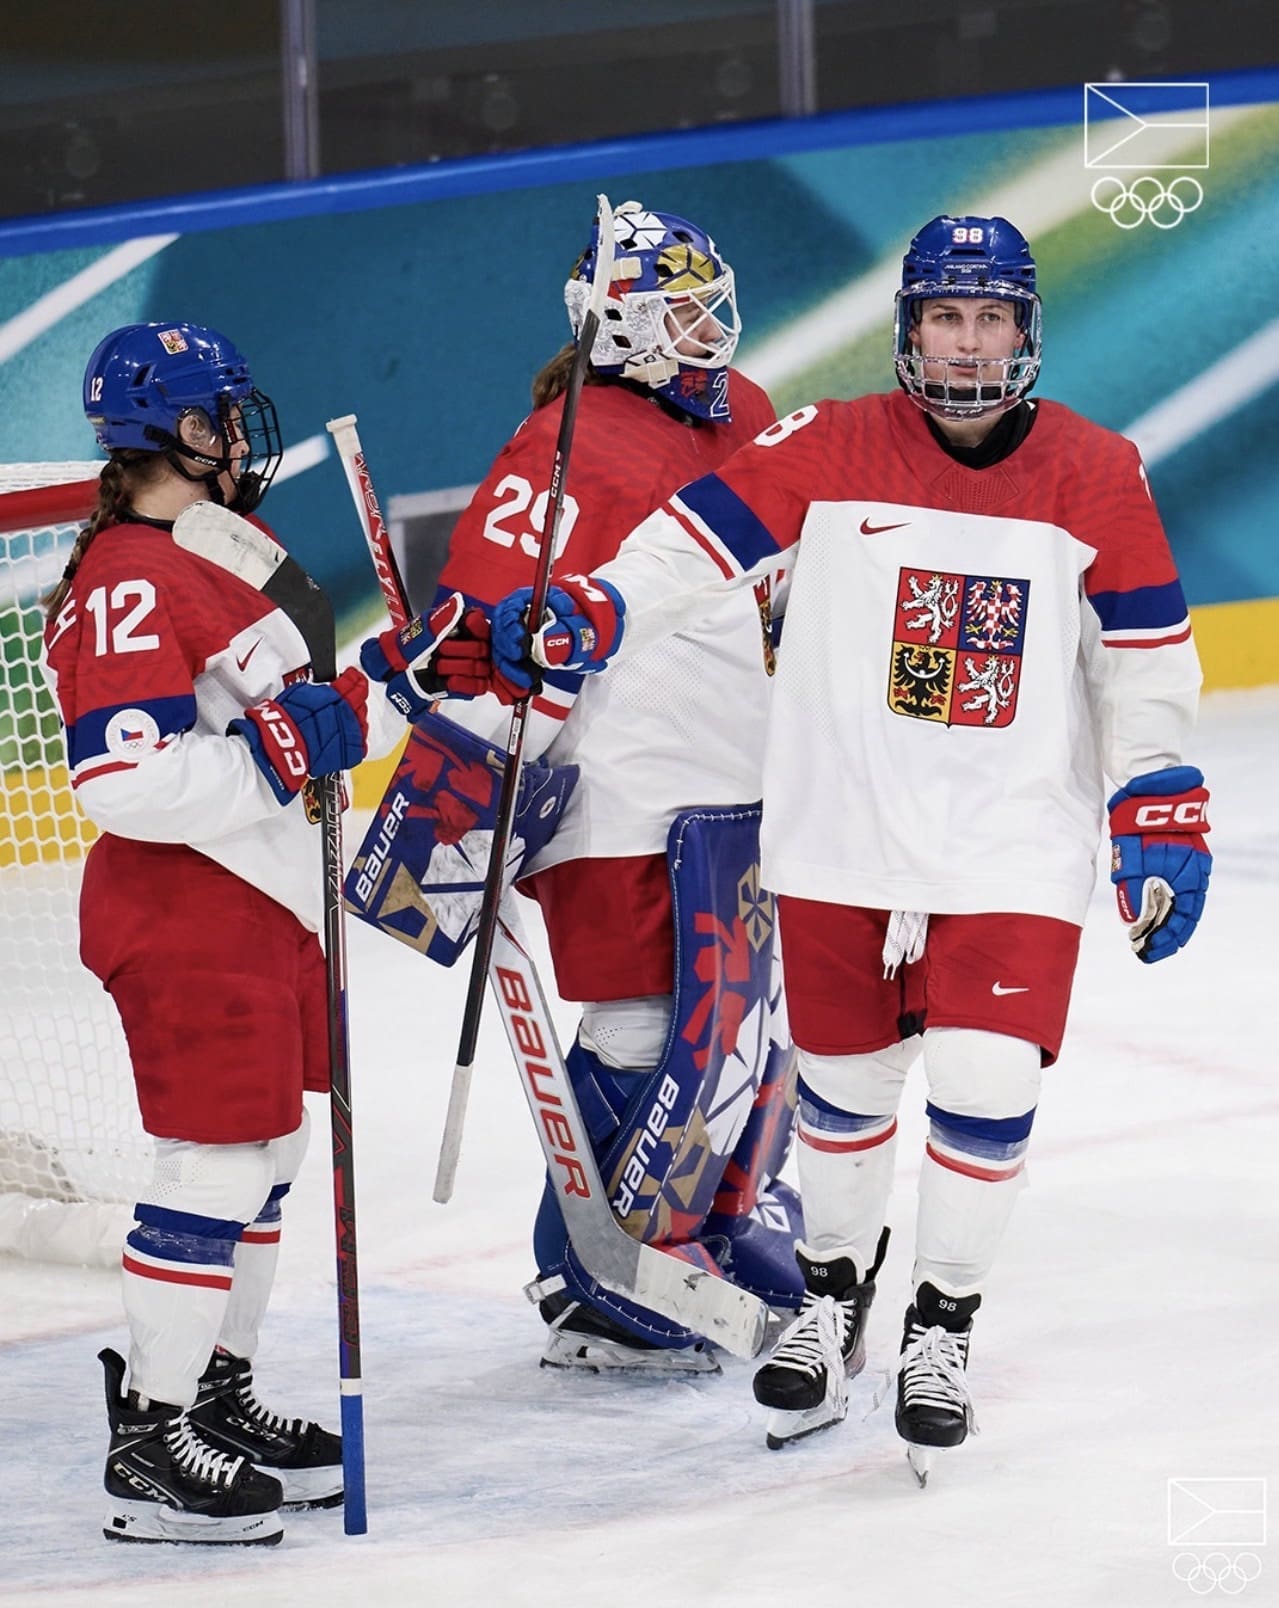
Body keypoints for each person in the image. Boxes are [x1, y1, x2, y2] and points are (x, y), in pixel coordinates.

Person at [484, 215, 1211, 1471]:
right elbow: (689, 544)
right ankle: (832, 1297)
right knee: (845, 1097)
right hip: (841, 833)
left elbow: (1144, 658)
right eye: (944, 317)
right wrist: (598, 603)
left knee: (988, 1083)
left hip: (1008, 840)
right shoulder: (825, 441)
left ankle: (942, 1320)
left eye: (990, 319)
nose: (967, 344)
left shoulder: (1098, 469)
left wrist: (1157, 796)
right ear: (908, 329)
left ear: (1025, 331)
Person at [44, 321, 488, 1544]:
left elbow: (297, 717)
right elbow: (121, 780)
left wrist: (396, 680)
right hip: (189, 909)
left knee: (271, 1157)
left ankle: (217, 1396)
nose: (242, 436)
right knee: (218, 1166)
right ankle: (152, 1432)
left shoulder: (213, 551)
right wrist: (290, 743)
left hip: (264, 897)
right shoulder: (134, 573)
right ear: (181, 432)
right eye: (224, 418)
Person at [401, 200, 806, 1371]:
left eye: (708, 301)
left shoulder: (745, 411)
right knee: (640, 1018)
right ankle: (587, 1272)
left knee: (733, 1022)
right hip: (619, 778)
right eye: (678, 308)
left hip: (736, 766)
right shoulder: (569, 439)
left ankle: (692, 1233)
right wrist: (461, 717)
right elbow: (478, 623)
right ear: (618, 325)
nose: (707, 327)